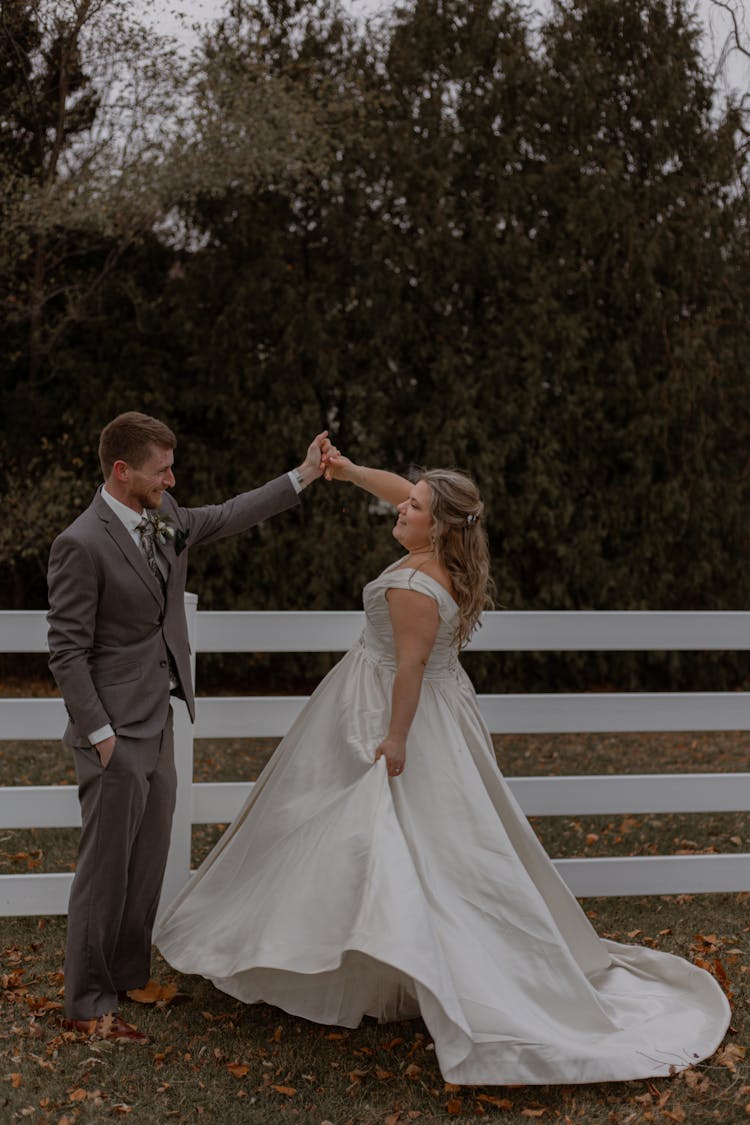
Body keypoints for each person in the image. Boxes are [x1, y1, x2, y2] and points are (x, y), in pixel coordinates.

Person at [154, 454, 730, 1085]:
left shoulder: (412, 587)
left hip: (391, 712)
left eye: (415, 507)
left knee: (375, 839)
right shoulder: (445, 557)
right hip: (437, 711)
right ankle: (373, 963)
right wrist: (346, 472)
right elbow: (409, 494)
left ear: (440, 527)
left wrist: (394, 739)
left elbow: (408, 669)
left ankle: (390, 957)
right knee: (400, 843)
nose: (401, 506)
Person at [47, 411, 330, 1044]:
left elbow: (228, 514)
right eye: (161, 469)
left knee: (147, 861)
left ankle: (125, 976)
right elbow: (66, 652)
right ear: (122, 472)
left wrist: (304, 475)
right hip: (113, 734)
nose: (172, 478)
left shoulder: (165, 515)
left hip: (161, 719)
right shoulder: (81, 543)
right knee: (104, 866)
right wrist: (101, 737)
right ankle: (88, 1002)